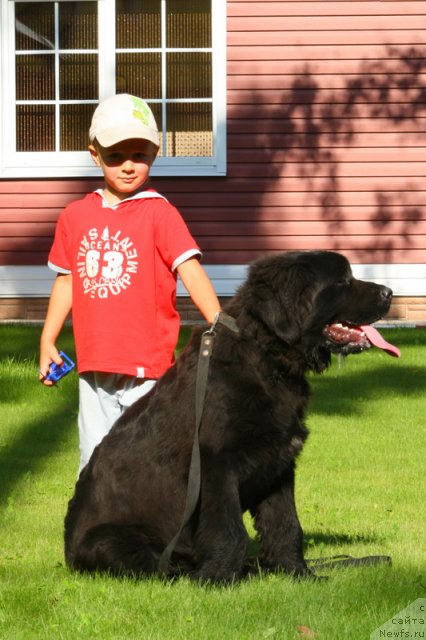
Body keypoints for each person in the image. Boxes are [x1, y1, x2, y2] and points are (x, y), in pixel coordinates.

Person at [39, 93, 221, 473]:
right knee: (95, 463)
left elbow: (190, 271)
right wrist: (47, 339)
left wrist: (222, 324)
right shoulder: (75, 217)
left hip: (149, 368)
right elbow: (67, 281)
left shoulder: (160, 213)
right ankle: (92, 529)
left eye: (139, 155)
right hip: (94, 366)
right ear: (94, 154)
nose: (127, 166)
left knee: (149, 461)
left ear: (154, 154)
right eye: (115, 155)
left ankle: (152, 528)